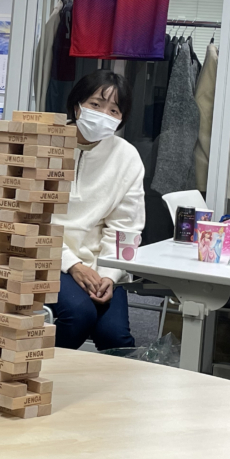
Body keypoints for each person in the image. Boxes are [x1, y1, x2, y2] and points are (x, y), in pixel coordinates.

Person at [50, 70, 146, 350]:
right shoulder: (46, 144)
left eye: (113, 110)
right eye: (95, 104)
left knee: (115, 337)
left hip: (101, 263)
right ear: (77, 105)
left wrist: (108, 275)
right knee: (79, 315)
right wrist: (72, 265)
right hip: (46, 256)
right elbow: (31, 220)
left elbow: (126, 227)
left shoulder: (127, 157)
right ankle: (34, 371)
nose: (104, 114)